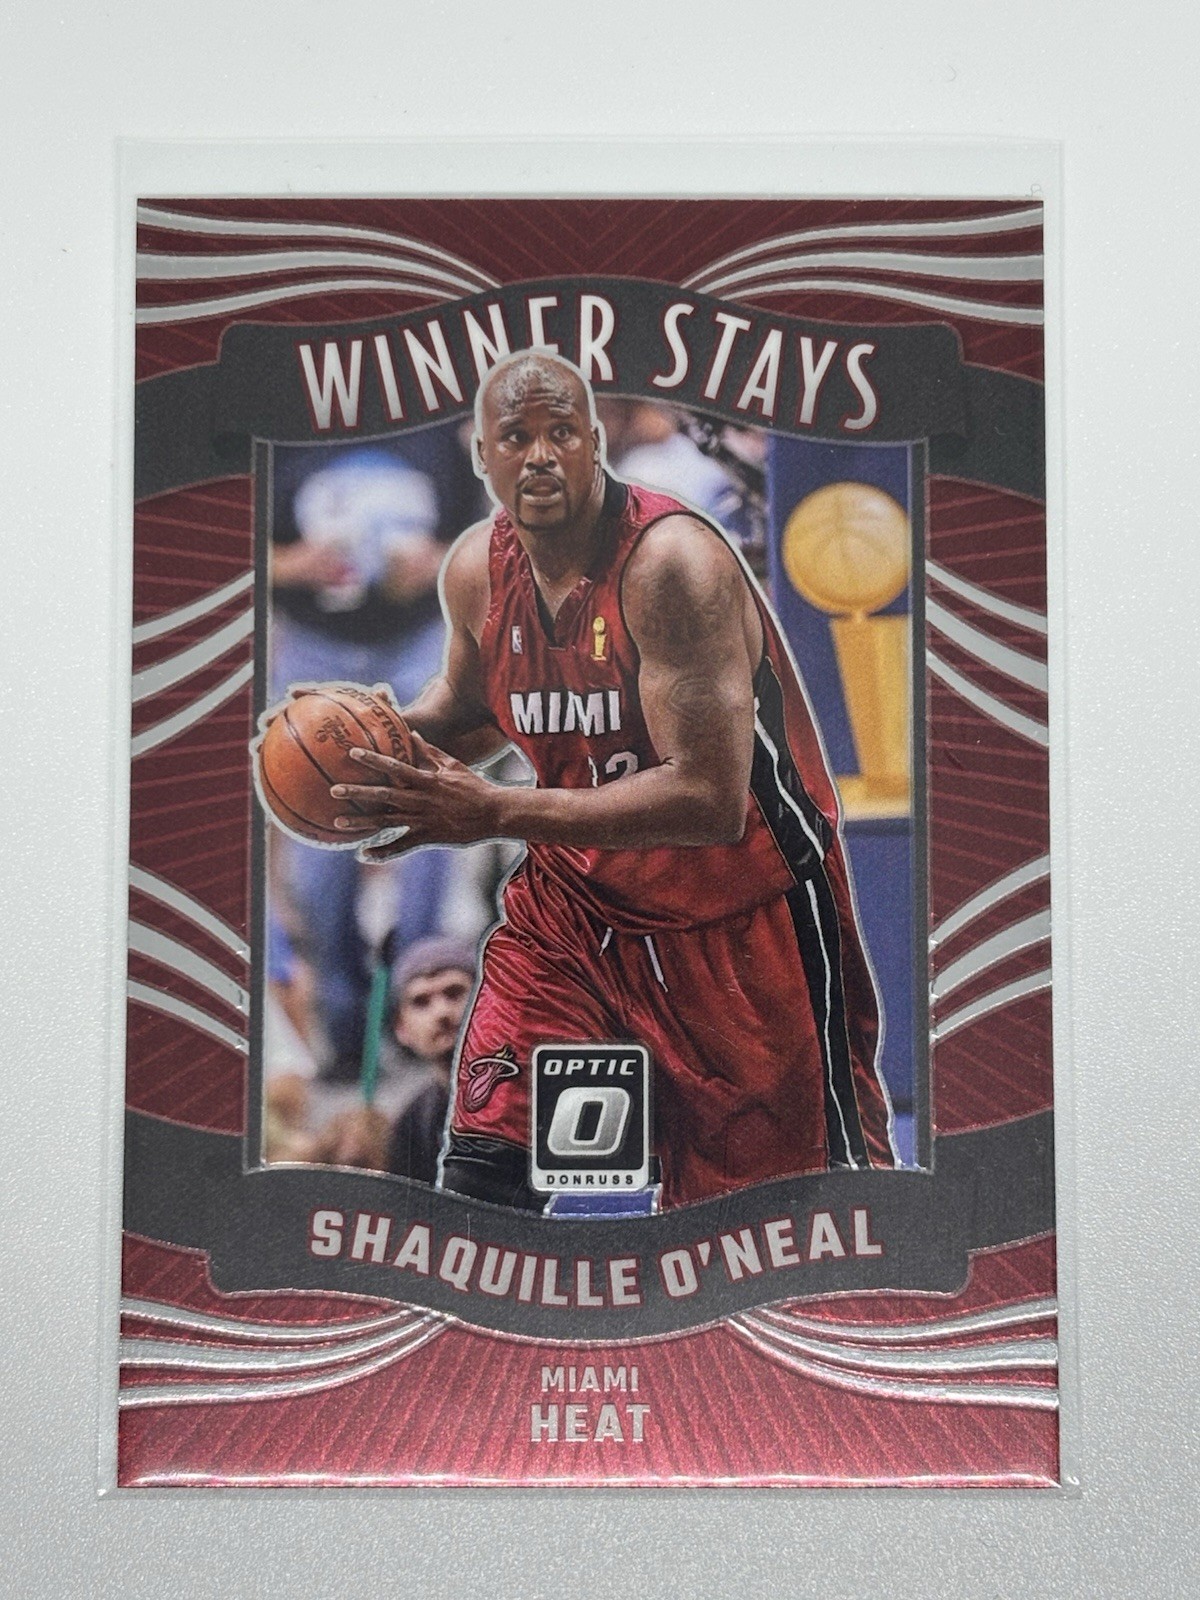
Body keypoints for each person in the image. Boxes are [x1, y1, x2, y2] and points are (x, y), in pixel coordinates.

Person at [326, 350, 897, 1210]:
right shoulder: (477, 568)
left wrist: (493, 811)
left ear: (596, 444)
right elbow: (476, 709)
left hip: (740, 907)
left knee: (774, 1218)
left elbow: (707, 799)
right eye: (515, 437)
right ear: (481, 456)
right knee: (484, 1168)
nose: (540, 456)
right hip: (574, 905)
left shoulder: (672, 564)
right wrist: (368, 750)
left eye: (561, 433)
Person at [384, 936, 475, 1185]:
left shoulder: (535, 1091)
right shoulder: (412, 1124)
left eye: (454, 993)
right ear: (401, 1029)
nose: (441, 1012)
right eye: (421, 1002)